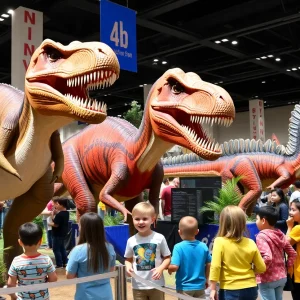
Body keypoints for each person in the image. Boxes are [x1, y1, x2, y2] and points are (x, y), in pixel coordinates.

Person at [209, 205, 266, 300]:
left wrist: (213, 289)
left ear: (223, 222)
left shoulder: (219, 241)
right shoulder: (250, 242)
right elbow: (261, 267)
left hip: (229, 289)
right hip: (251, 288)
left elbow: (215, 266)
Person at [124, 202, 171, 300]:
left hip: (157, 285)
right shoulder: (131, 240)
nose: (141, 222)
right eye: (137, 219)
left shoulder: (159, 238)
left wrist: (160, 268)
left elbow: (167, 258)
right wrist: (128, 267)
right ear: (132, 220)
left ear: (152, 219)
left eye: (144, 219)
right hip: (138, 286)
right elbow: (128, 259)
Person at [66, 212, 116, 300]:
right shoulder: (109, 247)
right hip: (106, 295)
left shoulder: (77, 250)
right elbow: (111, 270)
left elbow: (69, 276)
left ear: (84, 229)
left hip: (85, 296)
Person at [7, 222, 57, 300]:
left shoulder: (16, 261)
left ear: (20, 242)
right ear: (40, 241)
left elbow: (10, 285)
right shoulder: (46, 260)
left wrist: (14, 297)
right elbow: (53, 279)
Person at [256, 206, 296, 300]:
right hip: (281, 277)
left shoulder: (261, 236)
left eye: (257, 218)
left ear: (263, 220)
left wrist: (256, 270)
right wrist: (288, 266)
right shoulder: (280, 233)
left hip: (267, 278)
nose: (255, 221)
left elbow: (267, 257)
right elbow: (292, 253)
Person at [168, 216, 211, 298]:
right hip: (200, 286)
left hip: (184, 287)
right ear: (197, 231)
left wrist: (169, 268)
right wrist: (206, 277)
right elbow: (209, 263)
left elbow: (175, 266)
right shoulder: (203, 246)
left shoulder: (178, 247)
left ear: (179, 232)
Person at [48, 198, 69, 268]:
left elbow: (55, 224)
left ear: (62, 205)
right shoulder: (66, 213)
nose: (56, 205)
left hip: (57, 234)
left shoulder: (60, 215)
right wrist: (53, 215)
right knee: (62, 248)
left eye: (57, 204)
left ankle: (59, 264)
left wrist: (49, 223)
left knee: (56, 249)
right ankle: (65, 262)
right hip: (63, 233)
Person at [286, 198, 300, 299]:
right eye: (290, 209)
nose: (290, 212)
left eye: (293, 210)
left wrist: (289, 227)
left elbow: (286, 244)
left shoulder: (297, 228)